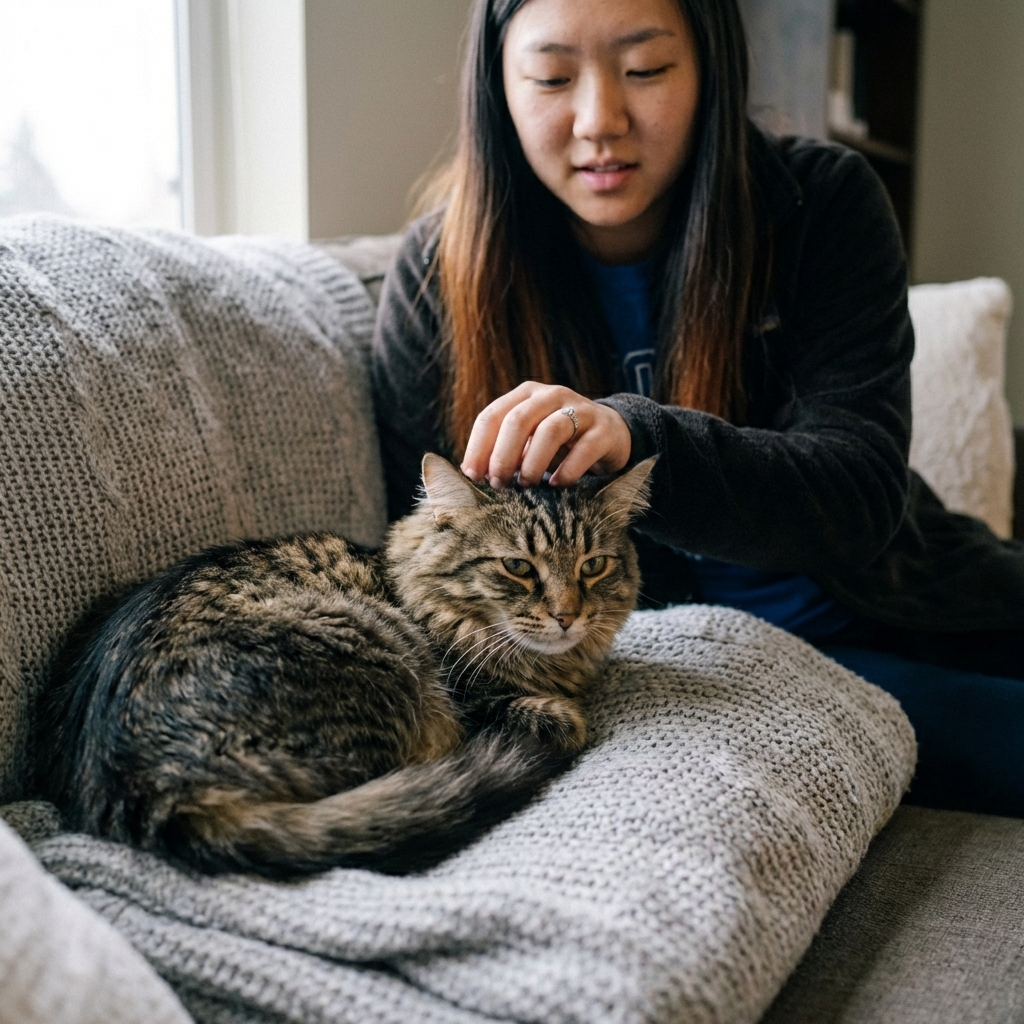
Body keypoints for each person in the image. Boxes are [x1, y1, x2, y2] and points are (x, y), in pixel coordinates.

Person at [372, 0, 1024, 816]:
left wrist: (634, 434)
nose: (600, 120)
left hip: (910, 596)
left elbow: (862, 490)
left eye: (645, 69)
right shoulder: (437, 278)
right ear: (497, 88)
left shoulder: (822, 203)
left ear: (710, 67)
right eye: (551, 77)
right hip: (717, 667)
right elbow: (426, 565)